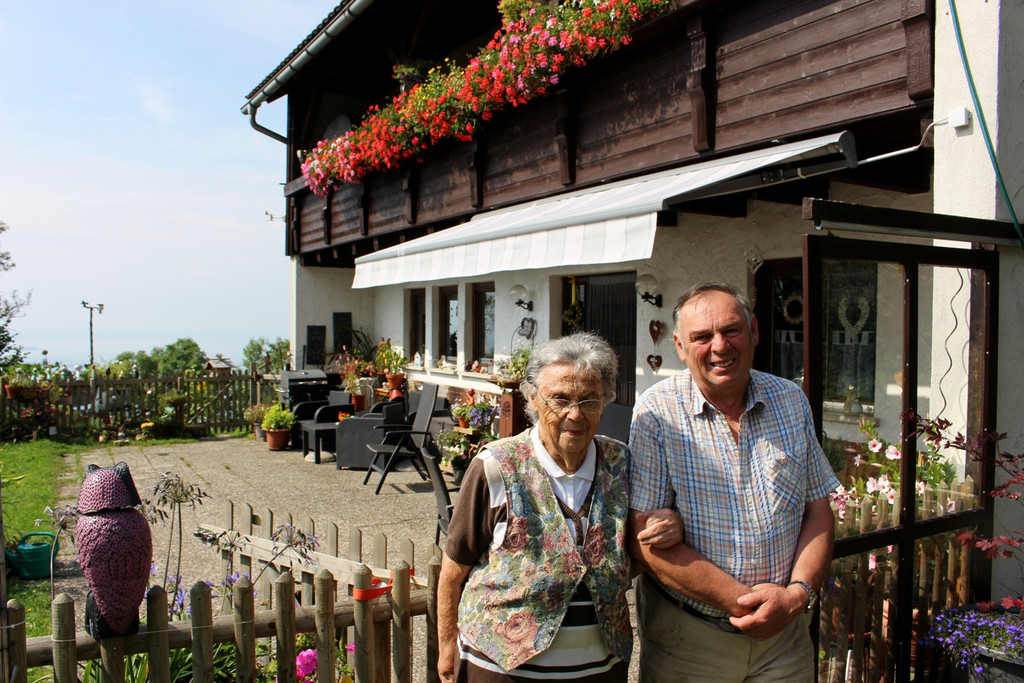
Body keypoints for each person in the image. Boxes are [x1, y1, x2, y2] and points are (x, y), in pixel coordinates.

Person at [438, 332, 680, 682]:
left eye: (590, 400)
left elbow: (631, 555)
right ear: (533, 400)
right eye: (560, 399)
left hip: (599, 670)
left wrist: (666, 527)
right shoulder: (496, 467)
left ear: (606, 401)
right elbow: (453, 570)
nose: (575, 414)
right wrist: (447, 647)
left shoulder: (622, 465)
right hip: (502, 670)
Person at [628, 282, 839, 682]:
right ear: (679, 345)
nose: (720, 347)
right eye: (702, 337)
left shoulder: (790, 400)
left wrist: (795, 596)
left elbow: (818, 510)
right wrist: (751, 606)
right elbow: (644, 541)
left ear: (755, 330)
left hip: (786, 640)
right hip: (689, 642)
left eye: (731, 330)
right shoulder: (657, 414)